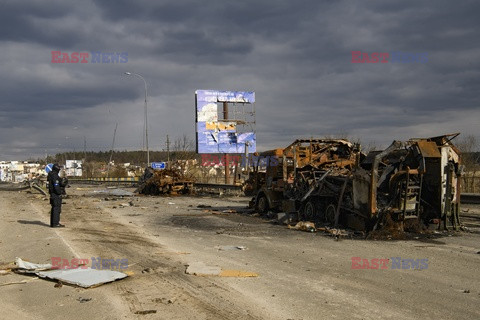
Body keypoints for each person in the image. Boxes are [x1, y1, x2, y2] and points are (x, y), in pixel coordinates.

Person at [48, 163, 65, 228]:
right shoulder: (54, 176)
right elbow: (56, 185)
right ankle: (56, 223)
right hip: (55, 194)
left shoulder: (51, 175)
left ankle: (53, 223)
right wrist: (59, 192)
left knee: (54, 208)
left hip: (53, 194)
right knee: (56, 209)